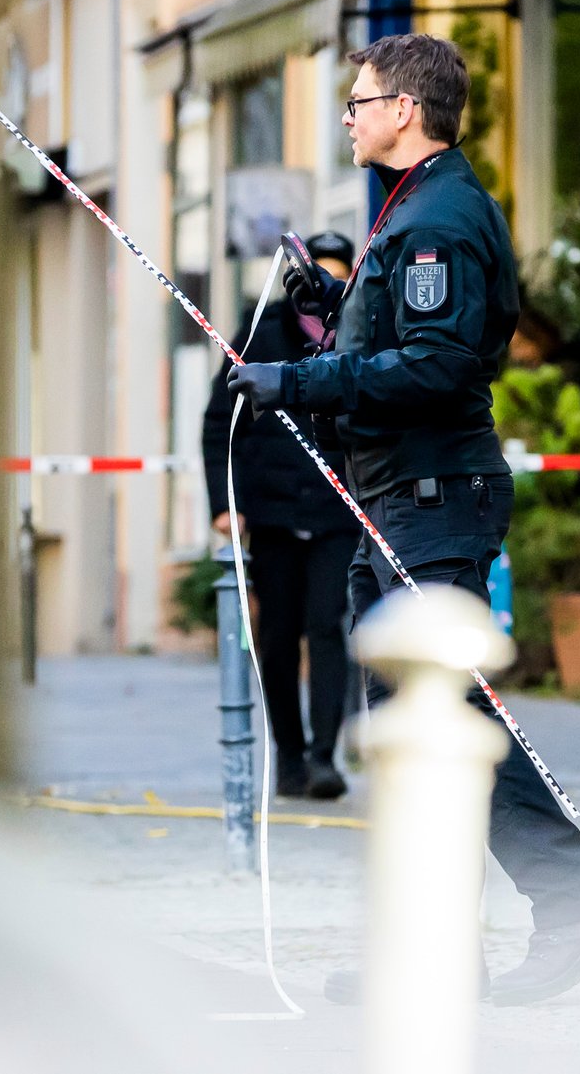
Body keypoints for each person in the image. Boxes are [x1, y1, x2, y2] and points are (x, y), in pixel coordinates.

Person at [227, 32, 580, 1006]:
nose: (350, 116)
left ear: (403, 110)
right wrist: (332, 303)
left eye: (360, 100)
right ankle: (502, 933)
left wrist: (299, 377)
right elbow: (412, 340)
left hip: (426, 500)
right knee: (433, 723)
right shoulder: (417, 210)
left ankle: (532, 920)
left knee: (432, 723)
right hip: (399, 499)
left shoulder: (437, 221)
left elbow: (437, 366)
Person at [204, 231, 361, 802]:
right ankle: (288, 756)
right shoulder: (256, 336)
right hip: (270, 512)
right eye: (313, 274)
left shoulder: (357, 336)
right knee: (276, 637)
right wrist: (226, 504)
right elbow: (219, 422)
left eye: (334, 275)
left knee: (327, 626)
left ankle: (324, 756)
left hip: (335, 511)